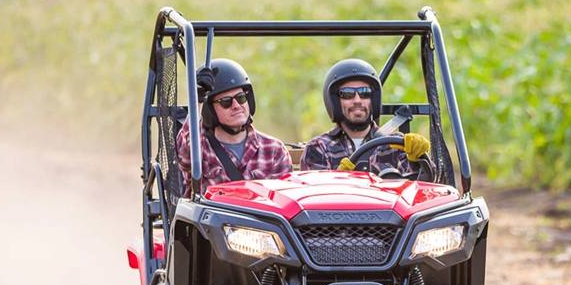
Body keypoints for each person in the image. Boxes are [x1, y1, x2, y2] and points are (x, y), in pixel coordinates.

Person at [301, 58, 430, 176]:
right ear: (335, 101)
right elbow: (317, 197)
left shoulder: (395, 144)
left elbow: (424, 189)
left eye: (364, 93)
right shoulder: (319, 148)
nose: (357, 100)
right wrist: (339, 178)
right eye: (347, 94)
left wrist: (419, 159)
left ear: (373, 99)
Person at [176, 58, 291, 189]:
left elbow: (285, 200)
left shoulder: (274, 150)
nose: (236, 106)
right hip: (214, 210)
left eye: (241, 98)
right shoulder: (199, 148)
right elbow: (183, 153)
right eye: (226, 101)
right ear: (210, 110)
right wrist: (198, 101)